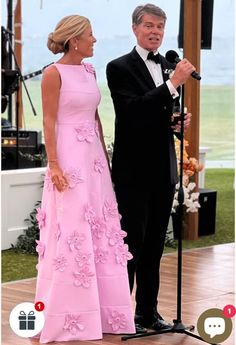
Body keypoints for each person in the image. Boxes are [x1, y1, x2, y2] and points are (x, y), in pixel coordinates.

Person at [34, 14, 135, 343]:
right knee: (73, 229)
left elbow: (95, 118)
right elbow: (48, 122)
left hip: (93, 162)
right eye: (90, 35)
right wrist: (54, 164)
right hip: (67, 160)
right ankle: (67, 314)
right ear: (74, 39)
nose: (94, 40)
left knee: (101, 231)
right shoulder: (53, 74)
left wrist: (104, 159)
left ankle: (105, 311)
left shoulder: (90, 71)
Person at [106, 4, 194, 331]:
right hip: (133, 172)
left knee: (155, 245)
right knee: (131, 244)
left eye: (160, 26)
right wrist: (172, 85)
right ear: (135, 28)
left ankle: (147, 313)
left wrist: (173, 122)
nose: (155, 31)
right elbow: (132, 114)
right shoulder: (119, 67)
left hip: (162, 170)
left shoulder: (167, 64)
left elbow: (153, 114)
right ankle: (119, 316)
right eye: (149, 26)